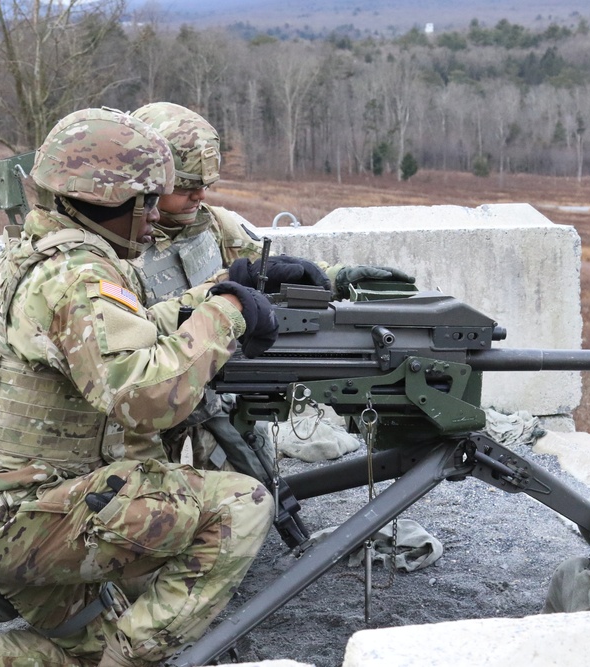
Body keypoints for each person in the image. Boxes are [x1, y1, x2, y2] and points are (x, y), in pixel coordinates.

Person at [0, 107, 277, 667]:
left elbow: (126, 336)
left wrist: (220, 290)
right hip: (26, 520)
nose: (157, 217)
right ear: (118, 202)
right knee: (240, 504)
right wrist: (230, 314)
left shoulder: (43, 255)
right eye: (149, 202)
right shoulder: (79, 276)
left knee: (90, 648)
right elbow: (147, 398)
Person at [126, 101, 415, 481]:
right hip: (148, 394)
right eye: (185, 186)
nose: (199, 196)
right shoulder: (120, 246)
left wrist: (337, 277)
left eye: (204, 185)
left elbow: (270, 270)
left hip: (218, 384)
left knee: (248, 489)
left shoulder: (214, 225)